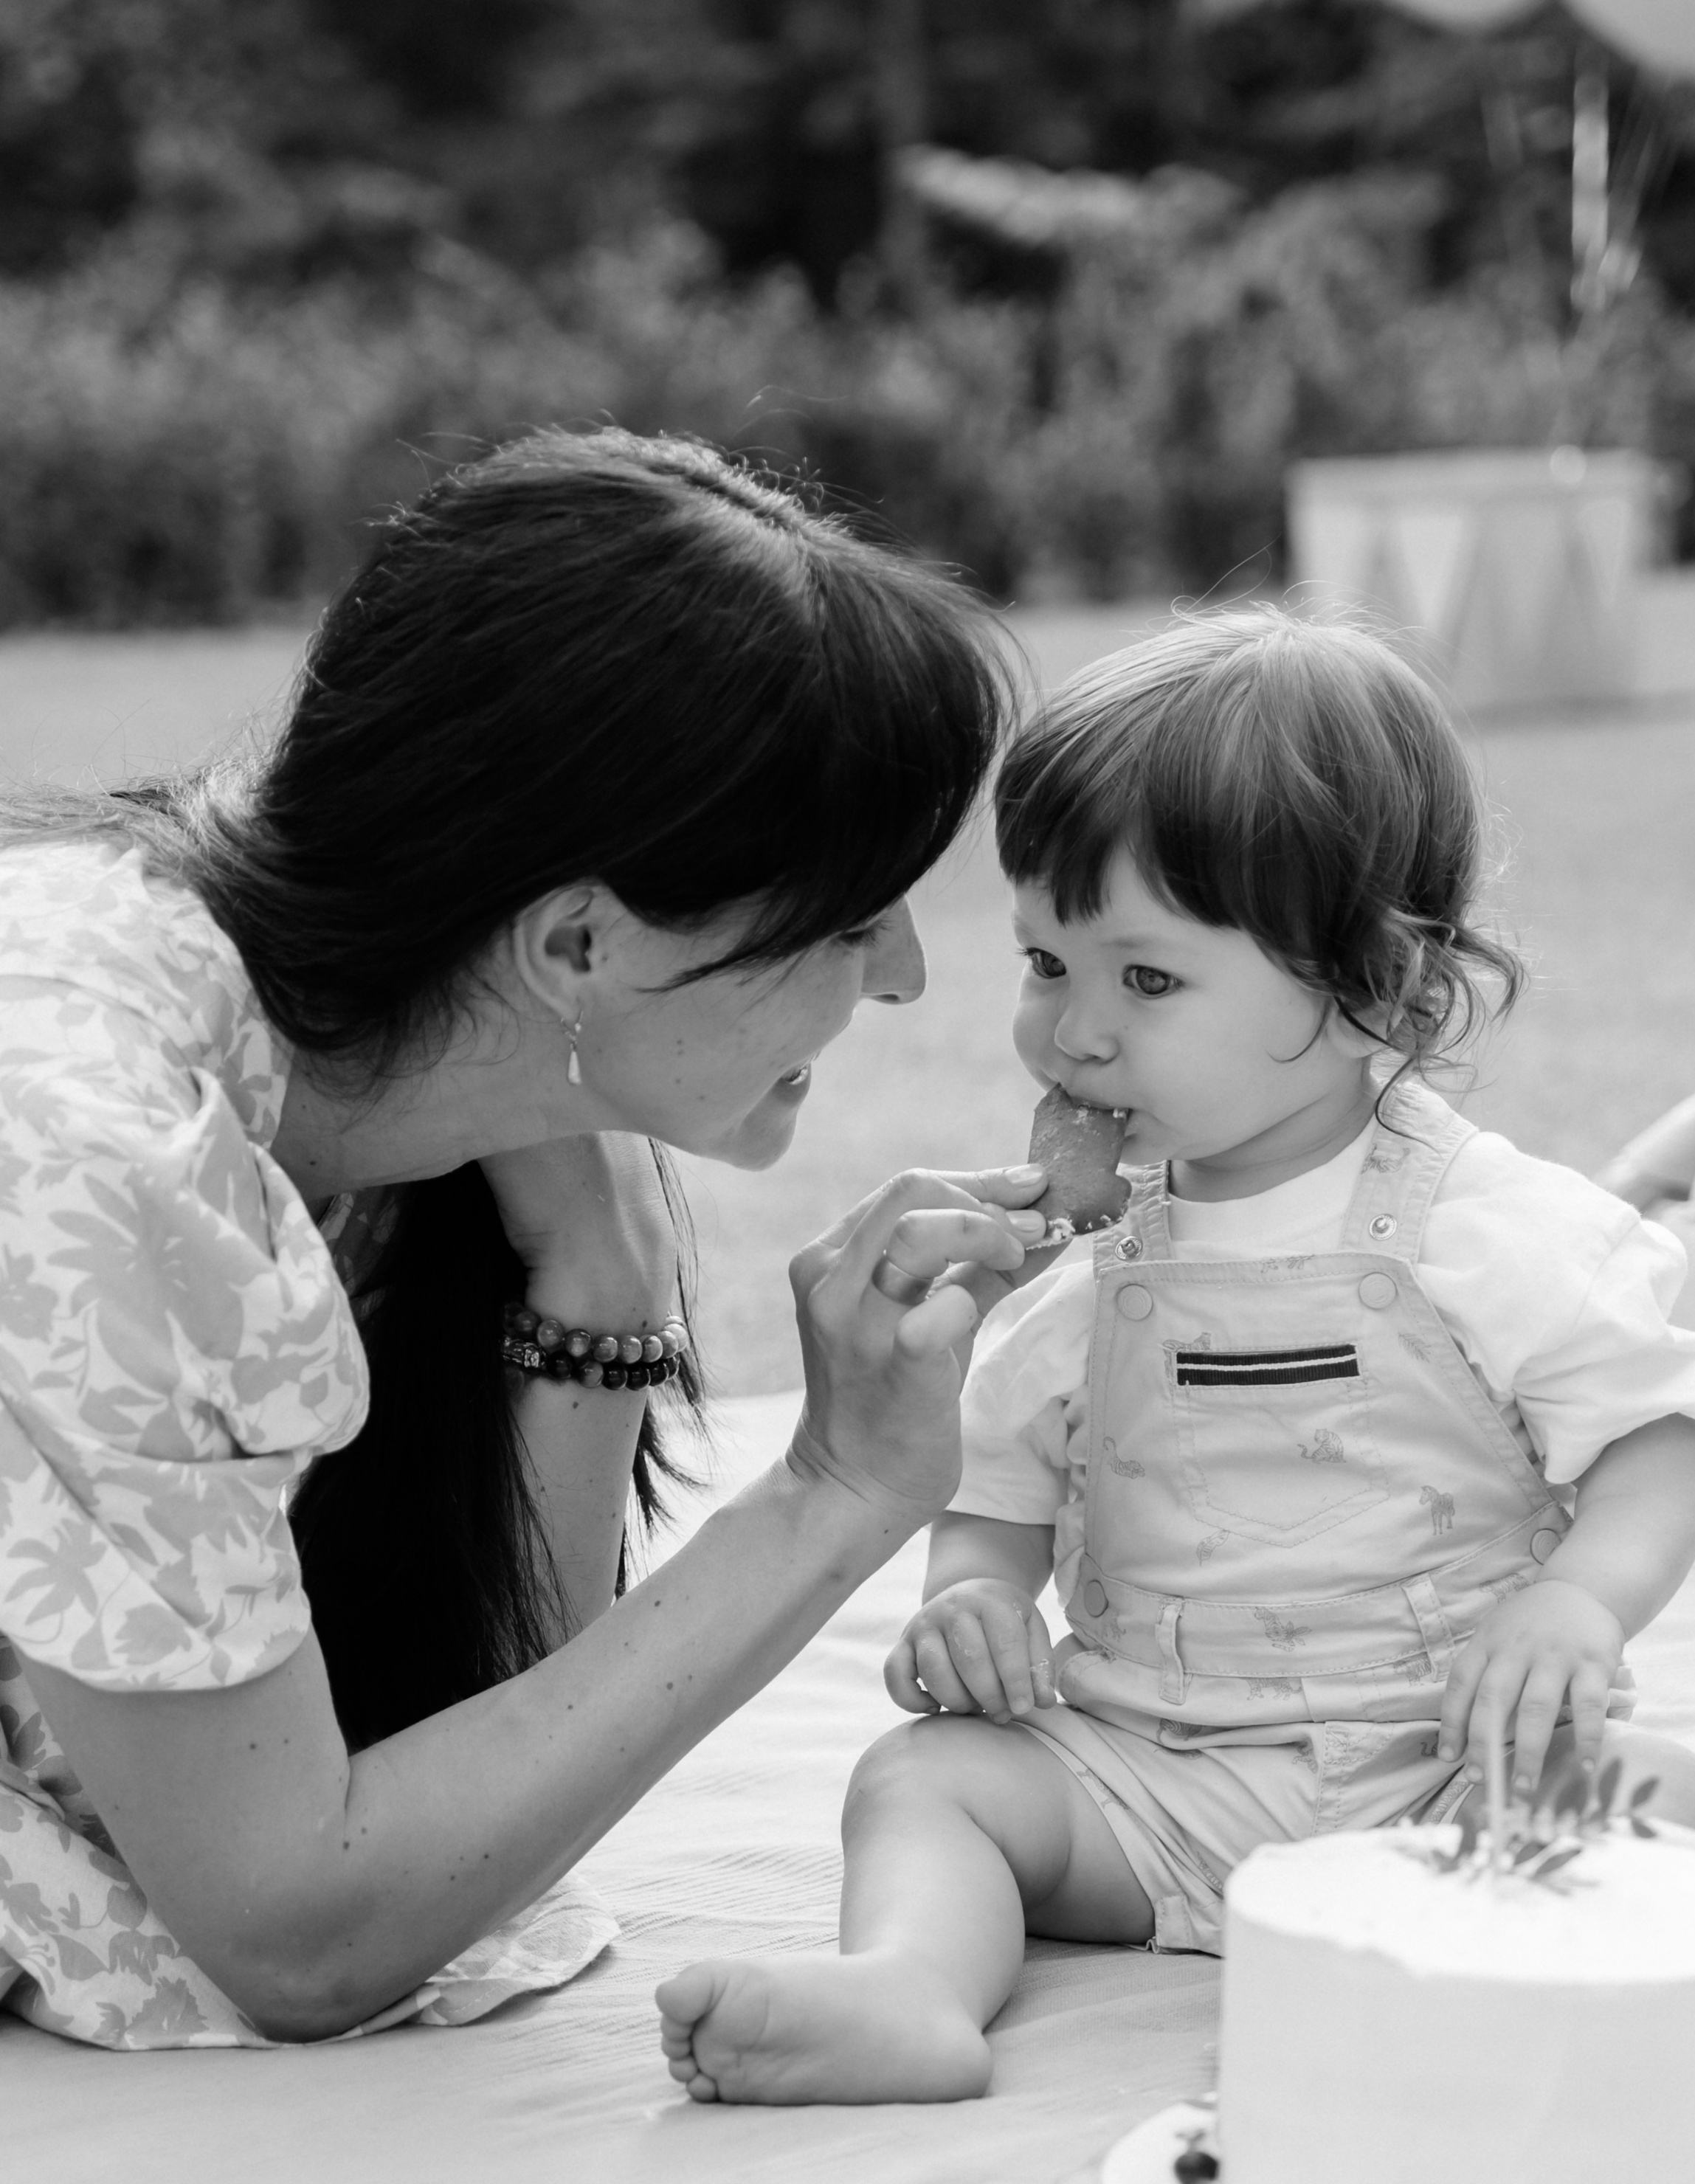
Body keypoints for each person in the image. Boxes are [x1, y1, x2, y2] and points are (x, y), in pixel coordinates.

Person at [0, 426, 1050, 2050]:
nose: (907, 976)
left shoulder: (306, 1042)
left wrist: (601, 1291)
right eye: (852, 918)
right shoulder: (102, 1158)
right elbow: (306, 1929)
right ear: (575, 941)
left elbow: (475, 1773)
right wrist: (831, 1496)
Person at [657, 611, 1695, 2107]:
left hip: (1442, 1768)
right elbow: (1000, 1486)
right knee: (925, 1783)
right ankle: (910, 1987)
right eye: (1046, 960)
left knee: (1661, 1802)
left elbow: (1655, 1437)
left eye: (1146, 981)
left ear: (1380, 992)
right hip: (1146, 1777)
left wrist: (1574, 1605)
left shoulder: (1485, 1231)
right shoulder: (1077, 1259)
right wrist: (971, 1597)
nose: (1071, 1036)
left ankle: (1482, 1978)